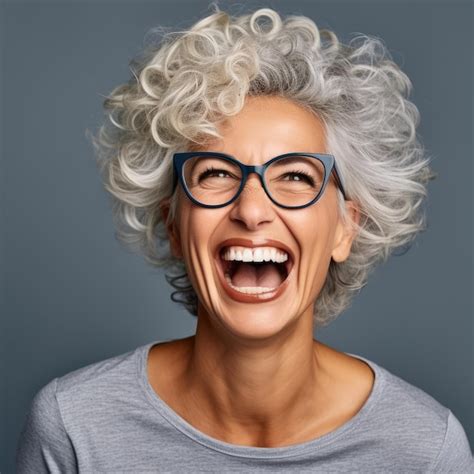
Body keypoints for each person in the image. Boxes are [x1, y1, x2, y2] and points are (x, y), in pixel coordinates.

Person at [16, 4, 473, 472]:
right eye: (215, 173)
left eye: (295, 176)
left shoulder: (426, 451)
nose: (252, 211)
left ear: (345, 228)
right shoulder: (75, 426)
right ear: (173, 224)